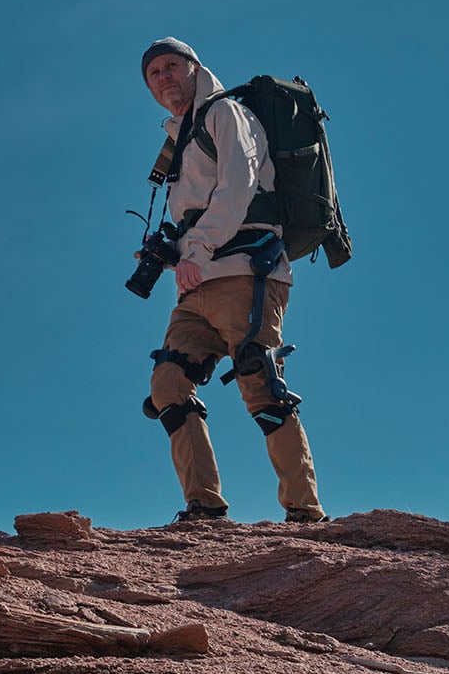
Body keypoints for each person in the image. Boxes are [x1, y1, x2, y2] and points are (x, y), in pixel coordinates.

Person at [137, 37, 328, 524]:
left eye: (172, 66)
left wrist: (196, 249)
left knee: (258, 379)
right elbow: (199, 215)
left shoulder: (227, 114)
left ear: (194, 68)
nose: (164, 78)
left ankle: (305, 512)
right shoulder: (176, 139)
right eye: (154, 73)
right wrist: (169, 253)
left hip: (248, 270)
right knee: (168, 385)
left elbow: (239, 187)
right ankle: (204, 507)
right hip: (195, 285)